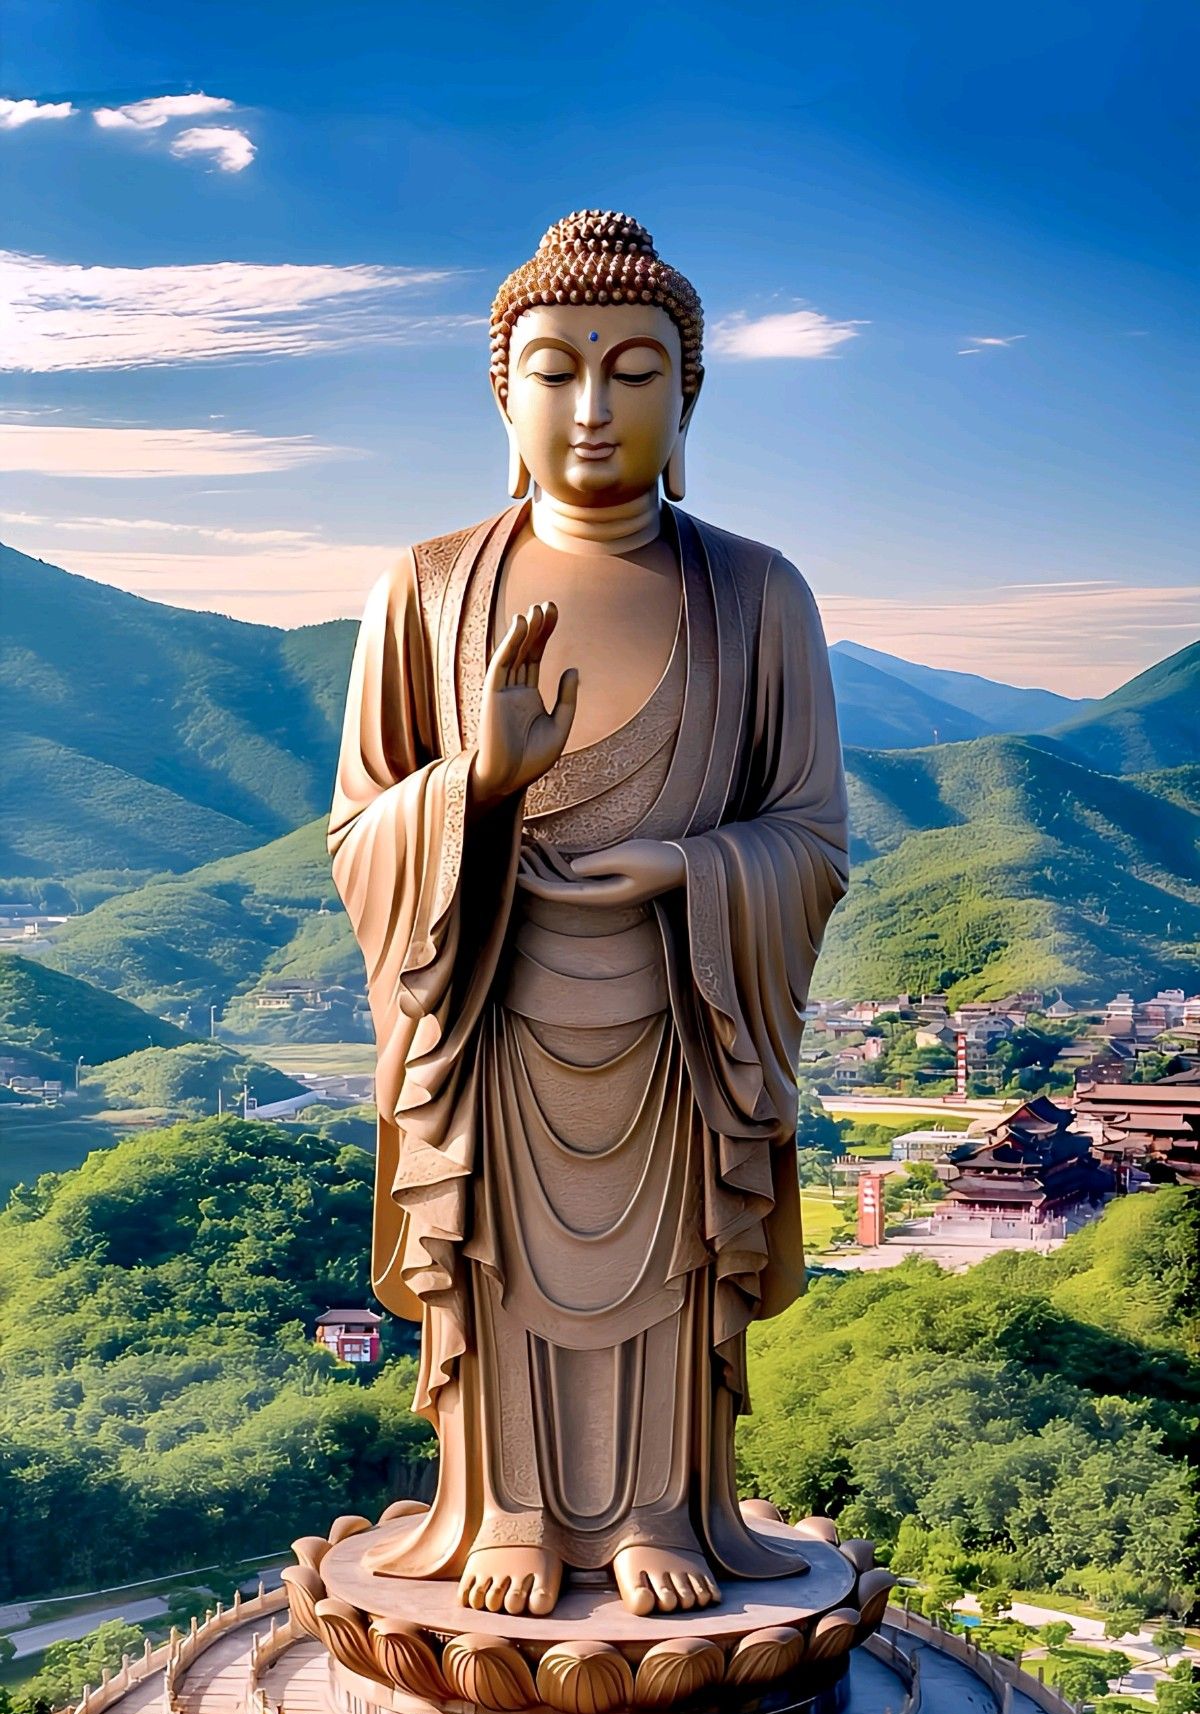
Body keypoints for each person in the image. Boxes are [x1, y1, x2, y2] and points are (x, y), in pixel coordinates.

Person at [329, 210, 848, 1619]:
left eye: (634, 370)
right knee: (500, 1261)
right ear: (505, 393)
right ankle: (510, 1504)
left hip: (688, 1009)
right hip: (489, 1005)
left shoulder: (756, 593)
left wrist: (690, 871)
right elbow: (359, 829)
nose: (595, 407)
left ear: (690, 394)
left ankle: (660, 1508)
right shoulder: (427, 590)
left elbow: (810, 834)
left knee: (669, 1264)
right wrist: (478, 782)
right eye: (557, 370)